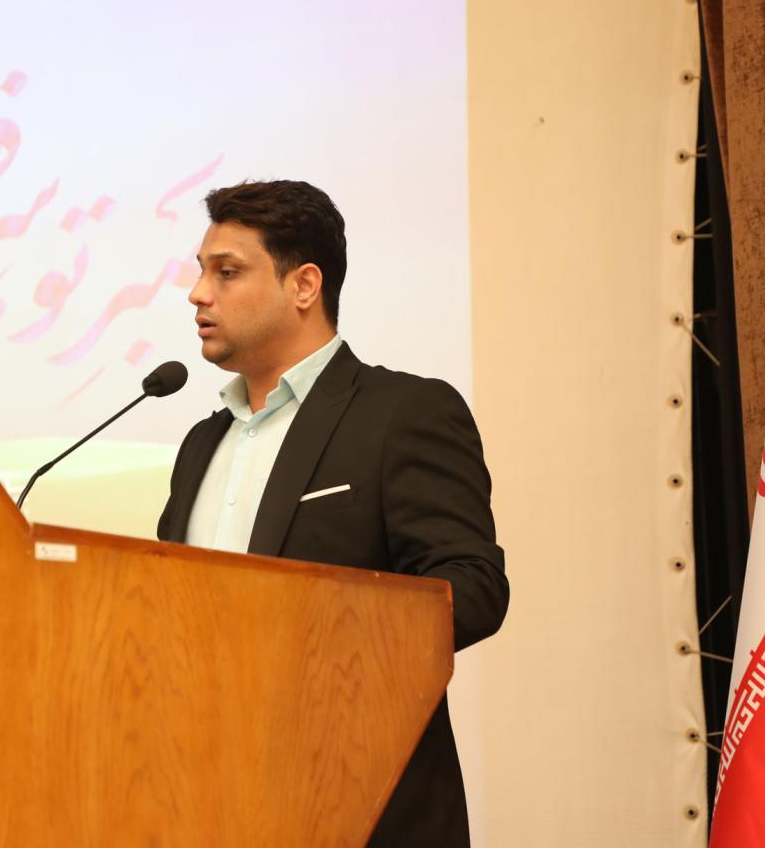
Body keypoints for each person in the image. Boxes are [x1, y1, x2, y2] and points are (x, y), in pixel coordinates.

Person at [156, 180, 508, 846]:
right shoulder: (202, 443)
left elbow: (473, 587)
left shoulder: (402, 413)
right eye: (201, 271)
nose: (198, 293)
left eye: (226, 272)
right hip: (205, 802)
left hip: (355, 804)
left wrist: (310, 644)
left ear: (304, 285)